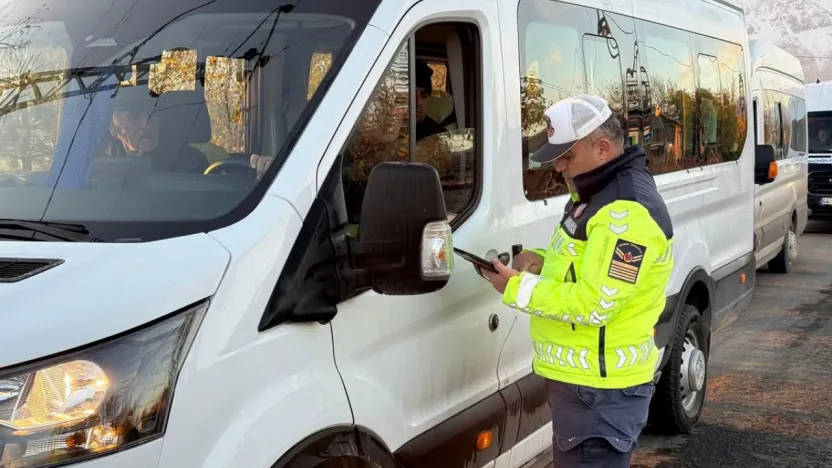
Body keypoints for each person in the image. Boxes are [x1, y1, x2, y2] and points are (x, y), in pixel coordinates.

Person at [480, 94, 674, 467]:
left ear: (602, 147)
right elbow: (586, 262)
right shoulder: (598, 193)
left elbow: (596, 302)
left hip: (600, 394)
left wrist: (516, 288)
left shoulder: (625, 213)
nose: (559, 169)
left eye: (567, 158)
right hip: (587, 390)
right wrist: (540, 261)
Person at [108, 87, 209, 174]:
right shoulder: (97, 164)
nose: (147, 125)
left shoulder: (189, 162)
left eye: (154, 113)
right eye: (134, 116)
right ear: (115, 127)